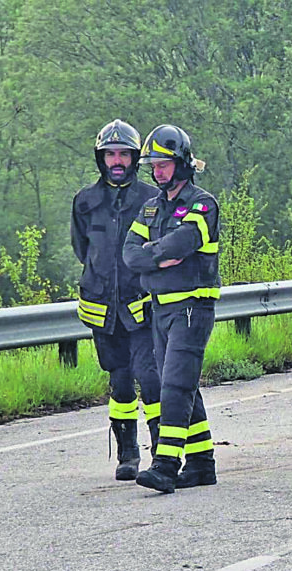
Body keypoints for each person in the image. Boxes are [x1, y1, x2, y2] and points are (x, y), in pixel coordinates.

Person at [122, 125, 220, 493]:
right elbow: (130, 253)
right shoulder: (151, 206)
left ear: (181, 164)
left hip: (192, 306)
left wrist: (156, 253)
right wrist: (155, 258)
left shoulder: (202, 203)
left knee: (176, 383)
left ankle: (166, 463)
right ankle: (201, 463)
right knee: (176, 382)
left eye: (164, 164)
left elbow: (182, 243)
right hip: (160, 308)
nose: (157, 171)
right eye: (154, 164)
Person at [71, 120, 161, 481]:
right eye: (111, 155)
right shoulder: (85, 201)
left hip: (141, 307)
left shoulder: (150, 199)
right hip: (102, 310)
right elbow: (83, 251)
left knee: (149, 378)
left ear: (135, 158)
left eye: (124, 154)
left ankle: (163, 452)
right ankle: (127, 453)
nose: (117, 161)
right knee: (120, 382)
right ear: (101, 159)